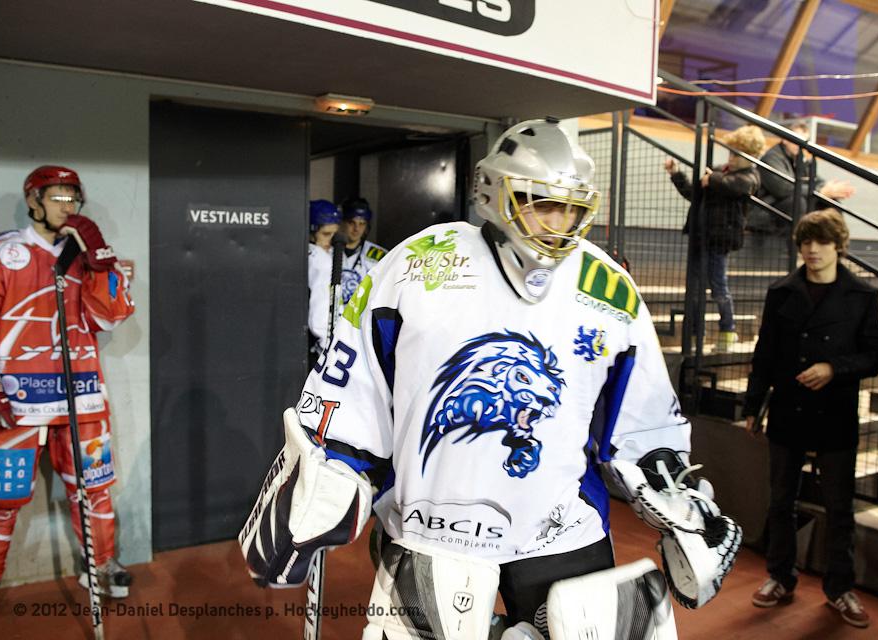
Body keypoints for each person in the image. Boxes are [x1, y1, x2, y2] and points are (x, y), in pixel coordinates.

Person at [241, 118, 742, 639]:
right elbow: (354, 385)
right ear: (493, 192)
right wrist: (329, 470)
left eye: (570, 208)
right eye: (541, 203)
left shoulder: (608, 287)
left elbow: (643, 420)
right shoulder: (416, 264)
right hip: (428, 527)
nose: (557, 222)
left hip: (562, 531)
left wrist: (681, 501)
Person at [0, 166, 135, 617]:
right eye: (57, 197)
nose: (67, 207)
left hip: (81, 396)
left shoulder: (87, 257)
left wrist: (100, 262)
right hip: (15, 401)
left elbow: (111, 317)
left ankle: (101, 564)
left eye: (73, 199)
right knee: (0, 498)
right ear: (34, 201)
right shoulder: (1, 252)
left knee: (95, 489)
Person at [743, 209, 878, 628]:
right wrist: (753, 406)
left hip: (835, 412)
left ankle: (841, 588)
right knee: (780, 501)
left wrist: (833, 368)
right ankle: (780, 576)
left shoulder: (861, 295)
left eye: (821, 242)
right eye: (806, 242)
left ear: (838, 246)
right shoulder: (781, 292)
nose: (812, 250)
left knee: (839, 507)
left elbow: (876, 354)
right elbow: (765, 355)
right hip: (788, 409)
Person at [666, 124, 765, 352]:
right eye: (731, 152)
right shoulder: (721, 172)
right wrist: (677, 174)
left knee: (718, 286)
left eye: (738, 154)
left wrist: (713, 179)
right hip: (701, 235)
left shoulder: (747, 176)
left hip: (719, 240)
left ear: (751, 156)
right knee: (695, 288)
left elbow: (741, 187)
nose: (732, 157)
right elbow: (694, 193)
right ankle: (694, 334)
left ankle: (727, 330)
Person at [750, 122, 855, 238]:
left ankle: (833, 243)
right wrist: (820, 192)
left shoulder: (800, 158)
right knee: (798, 202)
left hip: (788, 207)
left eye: (804, 141)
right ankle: (799, 244)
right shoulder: (771, 158)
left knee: (831, 202)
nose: (800, 145)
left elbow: (816, 181)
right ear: (785, 139)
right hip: (766, 211)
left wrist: (830, 191)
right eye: (797, 140)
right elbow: (784, 189)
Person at [306, 199, 341, 362]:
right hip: (322, 343)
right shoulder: (320, 260)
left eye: (334, 234)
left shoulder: (322, 254)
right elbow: (321, 307)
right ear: (311, 232)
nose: (331, 240)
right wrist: (326, 343)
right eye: (326, 234)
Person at [340, 197, 386, 304]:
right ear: (342, 222)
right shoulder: (327, 250)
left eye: (362, 224)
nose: (356, 229)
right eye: (352, 223)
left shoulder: (378, 255)